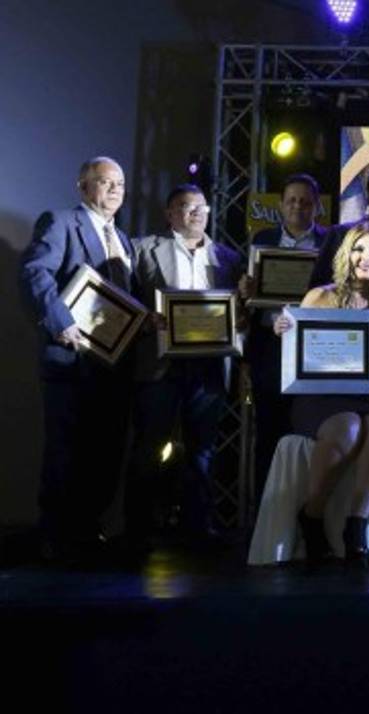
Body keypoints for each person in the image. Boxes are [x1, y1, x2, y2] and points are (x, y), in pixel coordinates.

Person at [19, 156, 136, 563]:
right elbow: (36, 272)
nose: (115, 189)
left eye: (120, 183)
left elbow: (126, 303)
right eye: (105, 182)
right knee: (65, 452)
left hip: (113, 365)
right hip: (70, 360)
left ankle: (88, 531)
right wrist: (61, 322)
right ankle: (54, 537)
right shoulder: (61, 221)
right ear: (83, 186)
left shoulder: (125, 240)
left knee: (104, 453)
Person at [272, 222, 369, 565]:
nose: (367, 257)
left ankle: (356, 525)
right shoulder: (320, 296)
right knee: (348, 426)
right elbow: (295, 348)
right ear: (347, 254)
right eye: (360, 249)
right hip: (319, 396)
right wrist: (282, 329)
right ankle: (312, 516)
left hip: (367, 398)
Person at [127, 185, 244, 553]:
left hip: (209, 368)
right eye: (184, 206)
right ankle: (139, 528)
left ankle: (198, 526)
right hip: (159, 365)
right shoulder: (142, 248)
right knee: (150, 446)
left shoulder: (228, 258)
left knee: (203, 451)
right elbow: (124, 299)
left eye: (201, 207)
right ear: (169, 212)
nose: (194, 213)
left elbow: (239, 313)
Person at [245, 174, 329, 495]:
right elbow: (249, 299)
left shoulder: (329, 242)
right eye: (292, 200)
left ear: (317, 207)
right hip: (270, 348)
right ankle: (265, 513)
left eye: (306, 201)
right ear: (281, 205)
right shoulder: (261, 240)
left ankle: (305, 508)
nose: (298, 206)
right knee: (268, 430)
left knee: (307, 430)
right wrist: (246, 290)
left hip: (315, 351)